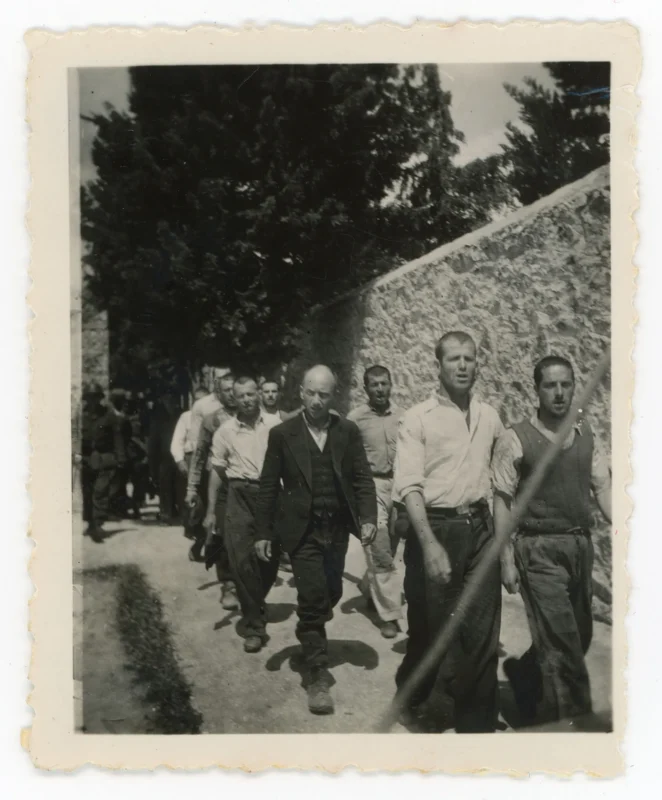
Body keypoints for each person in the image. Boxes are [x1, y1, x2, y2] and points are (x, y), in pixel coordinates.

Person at [392, 331, 505, 733]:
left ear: (477, 365)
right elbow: (408, 485)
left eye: (469, 358)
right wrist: (429, 545)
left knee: (481, 633)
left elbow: (502, 477)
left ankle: (476, 727)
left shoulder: (490, 416)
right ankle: (411, 697)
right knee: (430, 631)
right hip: (436, 529)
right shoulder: (417, 418)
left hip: (480, 528)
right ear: (437, 365)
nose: (462, 365)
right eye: (454, 358)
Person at [492, 355, 612, 726]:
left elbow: (603, 486)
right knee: (564, 649)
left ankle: (525, 678)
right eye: (550, 385)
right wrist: (506, 559)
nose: (559, 393)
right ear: (536, 390)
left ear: (574, 387)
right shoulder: (516, 438)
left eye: (566, 385)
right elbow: (502, 501)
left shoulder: (585, 433)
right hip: (538, 549)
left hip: (578, 547)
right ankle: (576, 731)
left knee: (578, 635)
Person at [255, 365, 377, 715]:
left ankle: (311, 624)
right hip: (301, 530)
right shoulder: (283, 434)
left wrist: (368, 518)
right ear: (302, 394)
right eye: (312, 393)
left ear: (333, 396)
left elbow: (362, 478)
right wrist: (263, 532)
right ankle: (317, 675)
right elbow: (268, 486)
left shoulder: (348, 431)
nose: (317, 401)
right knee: (311, 597)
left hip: (336, 529)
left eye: (325, 395)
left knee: (331, 594)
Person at [210, 377, 282, 652]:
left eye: (252, 394)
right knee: (241, 559)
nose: (248, 399)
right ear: (234, 399)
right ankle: (254, 626)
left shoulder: (277, 426)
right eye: (241, 396)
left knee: (270, 559)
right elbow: (216, 472)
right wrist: (210, 511)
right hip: (238, 495)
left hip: (270, 495)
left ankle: (254, 601)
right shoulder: (225, 431)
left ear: (259, 395)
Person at [347, 365, 405, 639]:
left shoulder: (403, 417)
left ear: (391, 385)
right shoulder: (355, 419)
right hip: (369, 487)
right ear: (366, 389)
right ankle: (390, 616)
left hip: (398, 486)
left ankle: (370, 588)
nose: (380, 389)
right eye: (374, 385)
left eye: (384, 384)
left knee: (391, 549)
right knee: (380, 550)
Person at [186, 373, 238, 607]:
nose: (231, 394)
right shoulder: (211, 421)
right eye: (226, 390)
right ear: (219, 393)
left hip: (247, 481)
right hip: (219, 480)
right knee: (221, 533)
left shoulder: (254, 417)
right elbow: (198, 457)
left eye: (233, 389)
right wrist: (192, 488)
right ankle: (228, 584)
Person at [85, 387, 128, 543]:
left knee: (100, 490)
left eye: (96, 398)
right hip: (86, 458)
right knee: (88, 491)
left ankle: (97, 523)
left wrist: (121, 458)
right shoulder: (82, 416)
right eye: (90, 398)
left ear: (100, 399)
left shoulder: (109, 417)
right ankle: (90, 523)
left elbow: (118, 438)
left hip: (105, 458)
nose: (93, 401)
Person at [171, 386, 208, 547]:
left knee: (207, 498)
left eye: (204, 400)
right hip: (191, 458)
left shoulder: (213, 417)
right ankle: (193, 530)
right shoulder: (186, 417)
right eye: (197, 399)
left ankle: (203, 535)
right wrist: (180, 461)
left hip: (209, 459)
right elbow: (177, 441)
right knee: (193, 498)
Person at [147, 389, 181, 525]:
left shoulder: (181, 416)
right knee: (165, 486)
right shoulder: (158, 420)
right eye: (167, 400)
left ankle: (179, 513)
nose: (170, 403)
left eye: (172, 400)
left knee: (179, 486)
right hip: (164, 459)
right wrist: (152, 467)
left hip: (179, 458)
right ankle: (166, 514)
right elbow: (153, 445)